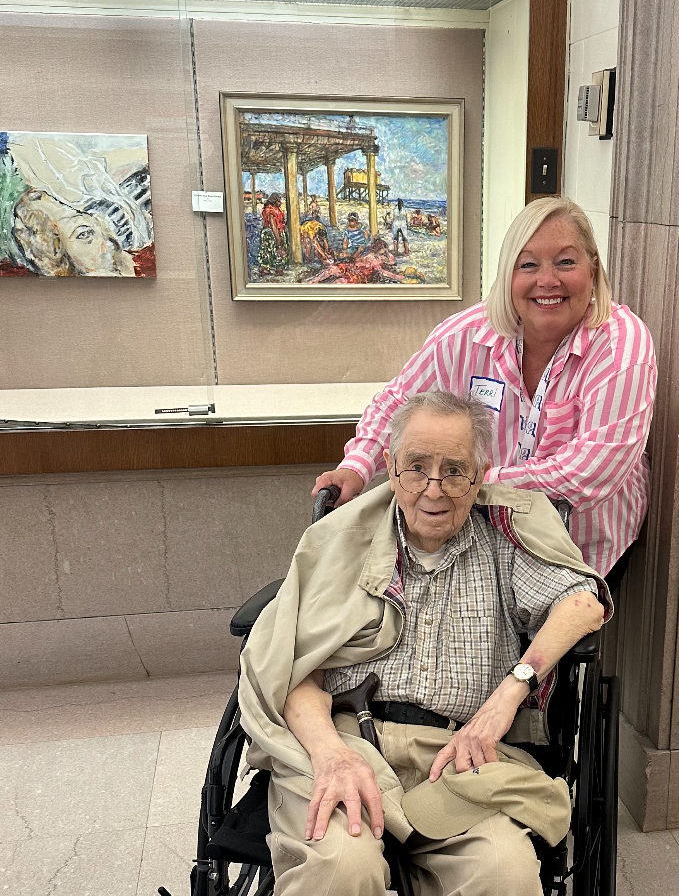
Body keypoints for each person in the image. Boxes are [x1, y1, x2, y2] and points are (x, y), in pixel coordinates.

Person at [239, 391, 609, 896]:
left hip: (460, 758)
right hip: (348, 740)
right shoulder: (344, 541)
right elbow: (294, 671)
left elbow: (583, 604)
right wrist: (331, 754)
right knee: (343, 867)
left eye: (454, 470)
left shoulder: (504, 541)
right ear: (390, 469)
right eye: (416, 467)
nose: (434, 489)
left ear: (480, 475)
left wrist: (509, 694)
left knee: (506, 875)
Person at [312, 196, 657, 578]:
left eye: (566, 262)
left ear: (592, 269)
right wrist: (357, 467)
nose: (547, 280)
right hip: (481, 531)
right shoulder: (468, 335)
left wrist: (471, 482)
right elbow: (397, 405)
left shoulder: (623, 346)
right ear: (508, 273)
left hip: (577, 547)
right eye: (528, 264)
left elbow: (591, 471)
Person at [11, 188, 136, 277]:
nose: (79, 219)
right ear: (55, 252)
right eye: (82, 235)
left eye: (76, 212)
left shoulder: (138, 262)